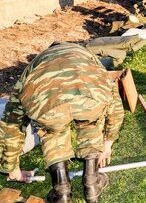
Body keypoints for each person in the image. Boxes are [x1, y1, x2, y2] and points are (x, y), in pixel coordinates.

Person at [0, 42, 125, 203]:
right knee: (92, 122)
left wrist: (12, 168)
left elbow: (12, 122)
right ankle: (92, 183)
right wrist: (108, 144)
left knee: (52, 132)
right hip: (89, 98)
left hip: (47, 104)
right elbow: (115, 107)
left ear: (50, 51)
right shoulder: (88, 57)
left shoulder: (35, 64)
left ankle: (62, 192)